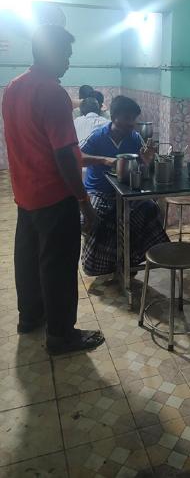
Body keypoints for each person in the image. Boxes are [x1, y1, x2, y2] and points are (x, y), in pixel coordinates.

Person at [2, 25, 104, 354]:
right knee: (58, 266)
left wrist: (94, 161)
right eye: (67, 54)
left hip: (25, 194)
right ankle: (61, 335)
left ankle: (30, 317)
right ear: (52, 53)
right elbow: (63, 155)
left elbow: (44, 147)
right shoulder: (53, 93)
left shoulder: (13, 88)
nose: (69, 62)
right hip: (54, 196)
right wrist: (84, 202)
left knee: (29, 259)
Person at [79, 95, 168, 277]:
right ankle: (98, 264)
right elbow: (78, 158)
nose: (131, 123)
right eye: (127, 118)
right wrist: (104, 160)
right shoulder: (98, 136)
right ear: (113, 117)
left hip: (126, 191)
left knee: (150, 209)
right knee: (93, 217)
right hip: (99, 191)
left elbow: (143, 170)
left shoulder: (135, 139)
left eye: (133, 119)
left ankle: (131, 260)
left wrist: (147, 161)